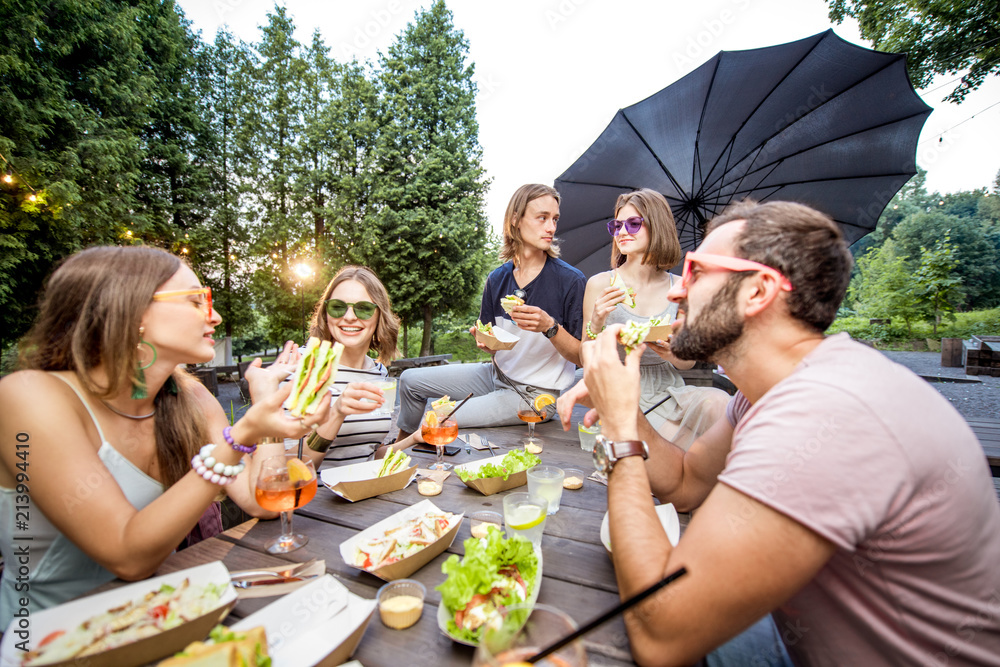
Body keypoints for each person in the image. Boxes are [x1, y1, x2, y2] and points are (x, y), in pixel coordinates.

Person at [572, 201, 1000, 665]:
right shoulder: (764, 392)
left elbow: (660, 636)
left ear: (758, 291)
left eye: (695, 271)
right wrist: (628, 412)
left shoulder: (825, 410)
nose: (677, 293)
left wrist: (619, 436)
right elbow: (685, 484)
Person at [0, 246, 328, 627]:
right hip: (48, 640)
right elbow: (128, 555)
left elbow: (261, 503)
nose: (215, 315)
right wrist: (240, 436)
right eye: (195, 301)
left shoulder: (189, 397)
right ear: (133, 310)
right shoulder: (29, 396)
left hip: (156, 622)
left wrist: (265, 409)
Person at [396, 184, 586, 438]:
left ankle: (399, 455)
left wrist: (549, 327)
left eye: (554, 219)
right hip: (494, 375)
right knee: (409, 381)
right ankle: (397, 452)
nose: (551, 227)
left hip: (536, 395)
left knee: (439, 416)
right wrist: (486, 343)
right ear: (516, 220)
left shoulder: (571, 280)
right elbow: (493, 342)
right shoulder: (497, 279)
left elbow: (582, 358)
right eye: (542, 218)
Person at [582, 188, 729, 449]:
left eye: (634, 223)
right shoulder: (601, 284)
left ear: (657, 226)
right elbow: (586, 358)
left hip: (669, 388)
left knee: (720, 404)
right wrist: (595, 322)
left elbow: (687, 363)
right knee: (684, 448)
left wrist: (673, 354)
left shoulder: (681, 285)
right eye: (617, 225)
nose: (623, 232)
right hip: (620, 388)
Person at [294, 265, 425, 464]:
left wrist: (413, 438)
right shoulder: (306, 366)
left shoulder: (378, 372)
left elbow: (368, 456)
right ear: (325, 314)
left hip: (364, 493)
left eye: (363, 309)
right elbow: (289, 466)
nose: (349, 317)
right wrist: (336, 413)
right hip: (320, 494)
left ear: (380, 316)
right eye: (338, 306)